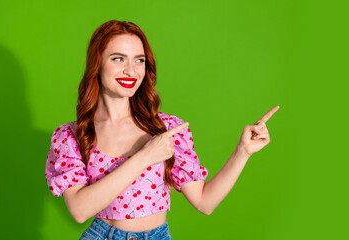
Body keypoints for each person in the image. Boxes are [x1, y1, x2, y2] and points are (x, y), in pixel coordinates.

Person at [45, 20, 279, 240]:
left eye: (139, 60)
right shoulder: (71, 136)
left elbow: (205, 203)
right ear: (96, 64)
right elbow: (79, 210)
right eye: (118, 59)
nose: (130, 71)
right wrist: (146, 156)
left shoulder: (166, 128)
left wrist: (243, 152)